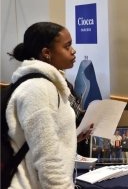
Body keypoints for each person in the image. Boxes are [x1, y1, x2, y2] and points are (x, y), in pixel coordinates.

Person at [5, 21, 91, 188]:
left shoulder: (48, 84)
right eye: (67, 47)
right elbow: (46, 158)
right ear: (46, 53)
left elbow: (42, 136)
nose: (73, 51)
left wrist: (71, 135)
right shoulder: (37, 89)